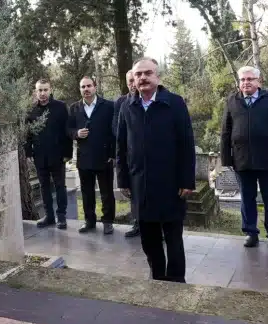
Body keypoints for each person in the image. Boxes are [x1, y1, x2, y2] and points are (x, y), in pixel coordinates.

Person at [116, 58, 196, 282]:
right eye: (138, 74)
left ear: (157, 77)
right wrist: (122, 178)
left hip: (170, 184)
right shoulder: (127, 106)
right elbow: (121, 145)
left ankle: (177, 281)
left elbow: (186, 144)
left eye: (147, 73)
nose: (142, 78)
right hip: (140, 184)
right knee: (149, 239)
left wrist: (187, 180)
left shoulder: (174, 103)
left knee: (173, 238)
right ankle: (158, 278)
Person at [220, 65, 268, 250]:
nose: (246, 83)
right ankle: (250, 232)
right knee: (247, 198)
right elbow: (225, 131)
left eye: (250, 79)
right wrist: (226, 159)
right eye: (243, 79)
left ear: (259, 81)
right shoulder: (232, 101)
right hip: (242, 159)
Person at [67, 76, 116, 234]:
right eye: (83, 87)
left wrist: (112, 154)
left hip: (104, 156)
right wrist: (76, 133)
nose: (86, 89)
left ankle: (108, 221)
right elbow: (67, 130)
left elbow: (115, 132)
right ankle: (89, 221)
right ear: (80, 89)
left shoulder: (109, 106)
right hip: (84, 157)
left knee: (106, 192)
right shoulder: (74, 108)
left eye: (89, 86)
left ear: (95, 87)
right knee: (87, 193)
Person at [25, 79, 73, 229]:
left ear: (50, 90)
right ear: (36, 92)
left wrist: (67, 153)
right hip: (40, 156)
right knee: (43, 186)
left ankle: (61, 217)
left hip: (58, 155)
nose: (43, 93)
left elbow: (67, 130)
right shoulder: (31, 110)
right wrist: (28, 154)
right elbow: (27, 135)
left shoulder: (60, 107)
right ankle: (49, 216)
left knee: (60, 186)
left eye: (45, 90)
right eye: (40, 90)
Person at [114, 70, 141, 239]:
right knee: (134, 194)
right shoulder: (121, 103)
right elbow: (115, 127)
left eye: (134, 80)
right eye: (129, 81)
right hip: (129, 153)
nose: (132, 84)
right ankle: (137, 223)